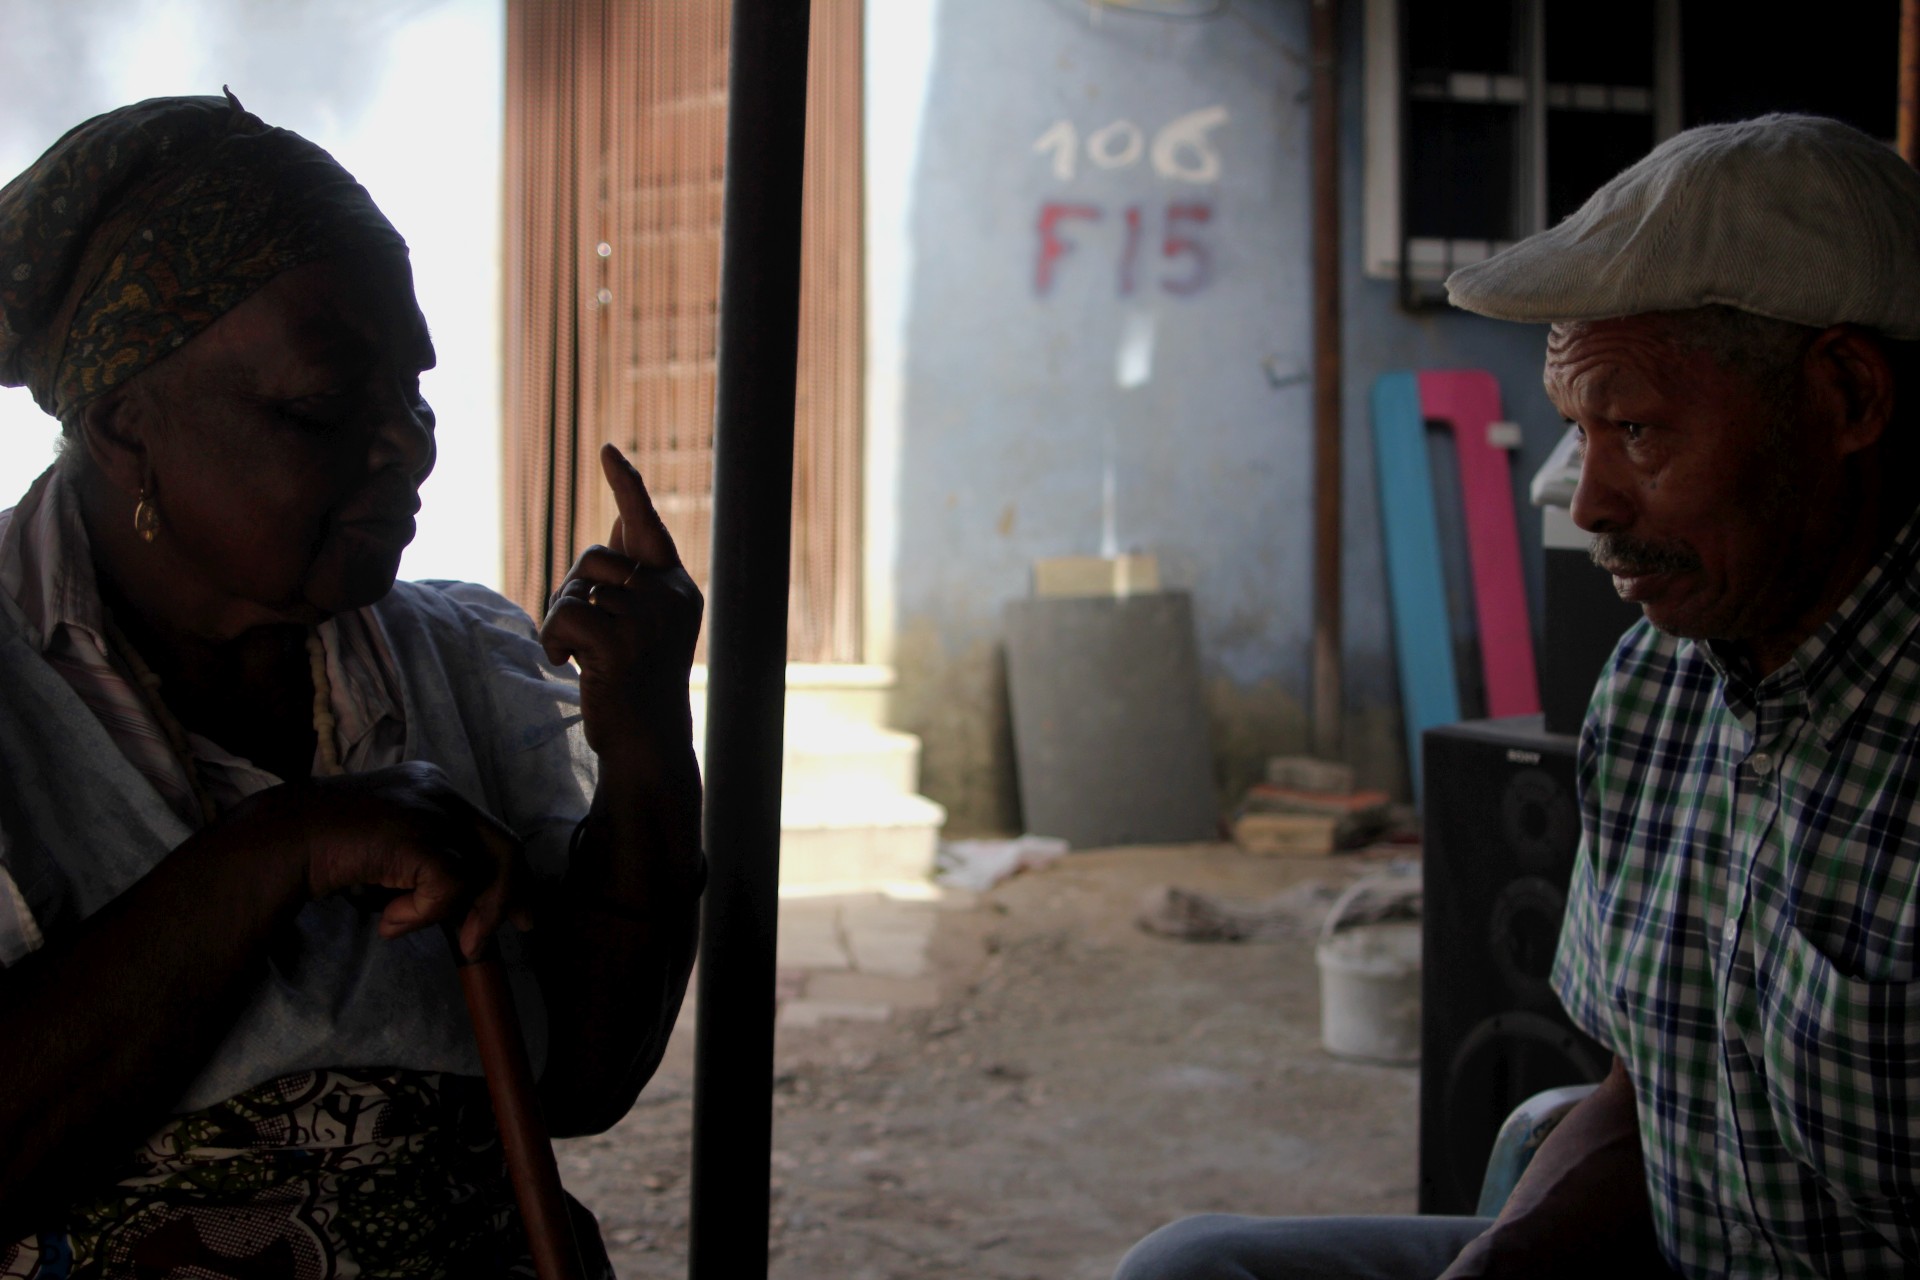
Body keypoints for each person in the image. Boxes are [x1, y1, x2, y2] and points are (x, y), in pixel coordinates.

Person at [1116, 112, 1920, 1279]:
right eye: (1577, 430)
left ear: (1845, 396)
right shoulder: (1655, 687)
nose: (1586, 501)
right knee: (1193, 1265)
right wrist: (1496, 1263)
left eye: (1636, 429)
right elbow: (1652, 1093)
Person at [0, 94, 704, 1276]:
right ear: (125, 425)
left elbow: (584, 1081)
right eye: (324, 406)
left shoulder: (461, 662)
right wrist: (284, 848)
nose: (408, 444)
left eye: (412, 390)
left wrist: (644, 749)